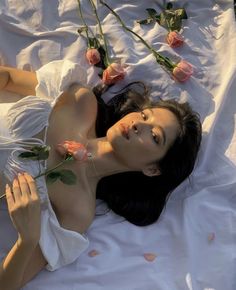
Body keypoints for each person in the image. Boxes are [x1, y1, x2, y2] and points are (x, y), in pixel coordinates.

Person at [0, 60, 202, 289]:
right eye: (145, 115)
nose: (138, 124)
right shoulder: (80, 100)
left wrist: (27, 240)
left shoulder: (77, 211)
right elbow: (7, 78)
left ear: (152, 169)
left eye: (155, 136)